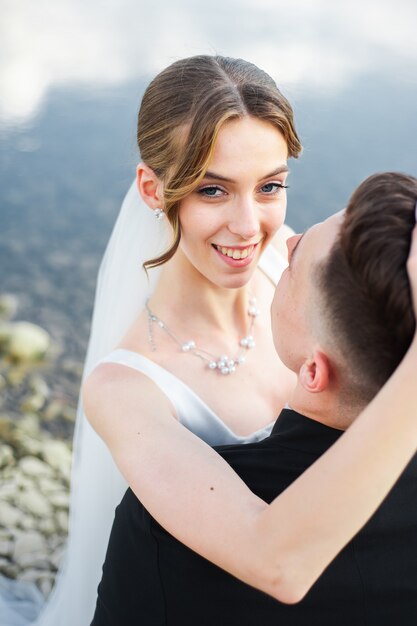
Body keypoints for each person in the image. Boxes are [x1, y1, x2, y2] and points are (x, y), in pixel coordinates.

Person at [20, 55, 302, 626]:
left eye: (269, 186)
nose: (251, 227)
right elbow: (268, 560)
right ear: (152, 187)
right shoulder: (126, 387)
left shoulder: (289, 262)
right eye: (213, 191)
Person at [90, 172, 417, 625]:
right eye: (213, 189)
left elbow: (277, 563)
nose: (283, 241)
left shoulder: (160, 533)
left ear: (313, 371)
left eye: (295, 264)